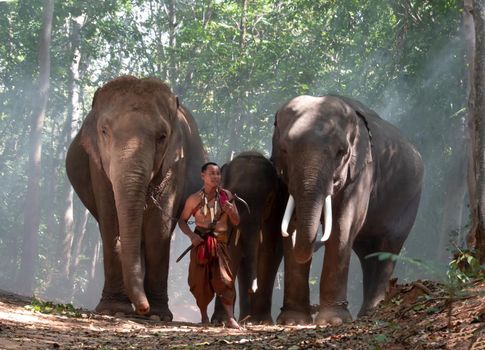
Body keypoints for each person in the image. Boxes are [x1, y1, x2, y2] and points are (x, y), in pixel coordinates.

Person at [178, 162, 241, 329]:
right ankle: (204, 317)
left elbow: (236, 221)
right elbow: (182, 221)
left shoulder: (226, 196)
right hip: (201, 245)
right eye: (211, 173)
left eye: (218, 174)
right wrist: (192, 236)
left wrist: (230, 211)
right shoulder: (194, 199)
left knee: (225, 280)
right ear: (203, 176)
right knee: (199, 282)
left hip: (221, 243)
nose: (216, 177)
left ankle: (231, 318)